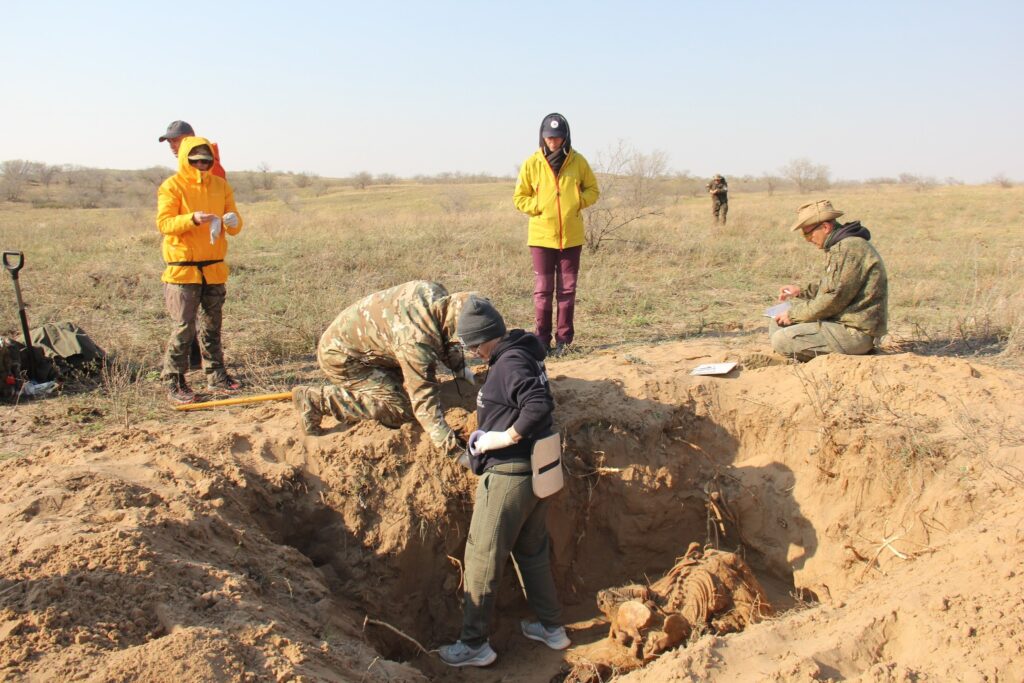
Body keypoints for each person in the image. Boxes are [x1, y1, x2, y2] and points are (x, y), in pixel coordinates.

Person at [439, 296, 568, 667]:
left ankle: (474, 644)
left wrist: (503, 437)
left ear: (484, 340)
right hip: (537, 471)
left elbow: (538, 404)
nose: (474, 355)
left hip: (511, 474)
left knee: (481, 555)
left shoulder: (509, 363)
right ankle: (551, 627)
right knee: (531, 550)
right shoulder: (522, 352)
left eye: (472, 347)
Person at [290, 281, 476, 452]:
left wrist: (459, 368)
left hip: (375, 349)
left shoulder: (438, 296)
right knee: (401, 410)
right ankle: (316, 400)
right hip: (342, 358)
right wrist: (451, 447)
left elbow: (444, 333)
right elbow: (423, 400)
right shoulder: (415, 341)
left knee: (407, 381)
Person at [157, 137, 244, 402]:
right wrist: (192, 219)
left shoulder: (221, 186)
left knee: (212, 326)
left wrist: (233, 222)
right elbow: (164, 223)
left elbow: (235, 227)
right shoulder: (172, 186)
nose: (202, 165)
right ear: (186, 160)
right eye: (196, 161)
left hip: (214, 269)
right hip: (183, 270)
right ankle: (174, 381)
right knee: (184, 328)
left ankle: (216, 375)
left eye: (206, 161)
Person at [513, 113, 599, 357]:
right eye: (549, 137)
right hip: (541, 238)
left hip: (571, 238)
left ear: (565, 137)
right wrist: (538, 206)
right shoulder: (532, 163)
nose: (553, 141)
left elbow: (593, 190)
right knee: (543, 291)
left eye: (558, 137)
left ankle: (564, 340)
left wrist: (577, 201)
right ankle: (541, 340)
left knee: (567, 291)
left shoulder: (578, 161)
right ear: (542, 137)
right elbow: (519, 197)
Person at [771, 200, 888, 361]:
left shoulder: (849, 248)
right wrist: (801, 291)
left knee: (781, 339)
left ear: (825, 227)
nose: (807, 239)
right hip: (841, 322)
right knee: (777, 321)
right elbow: (833, 287)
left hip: (856, 332)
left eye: (807, 233)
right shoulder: (842, 245)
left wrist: (793, 315)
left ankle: (808, 362)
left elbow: (834, 298)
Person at [158, 120, 226, 178]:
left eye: (175, 140)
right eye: (169, 142)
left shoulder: (209, 166)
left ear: (191, 137)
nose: (172, 146)